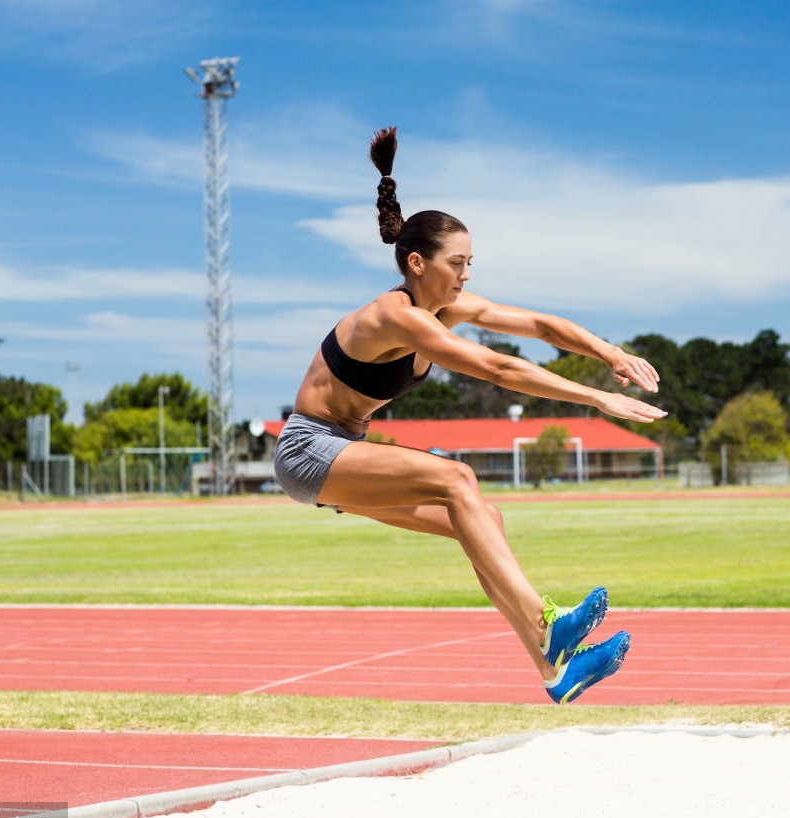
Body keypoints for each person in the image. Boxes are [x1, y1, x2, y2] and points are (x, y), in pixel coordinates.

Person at [273, 127, 667, 704]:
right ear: (416, 262)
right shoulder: (395, 316)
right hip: (309, 450)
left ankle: (555, 672)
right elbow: (499, 370)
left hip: (342, 455)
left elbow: (538, 327)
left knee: (482, 517)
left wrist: (608, 353)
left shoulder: (444, 310)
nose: (466, 275)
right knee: (458, 478)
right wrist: (597, 399)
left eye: (470, 263)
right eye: (457, 263)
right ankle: (547, 622)